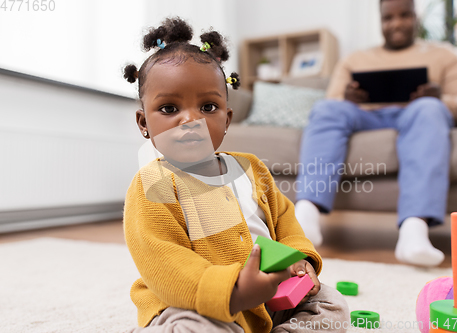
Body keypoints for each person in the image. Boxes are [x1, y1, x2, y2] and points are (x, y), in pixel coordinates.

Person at [122, 18, 349, 333]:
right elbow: (164, 261)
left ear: (227, 119)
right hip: (196, 305)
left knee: (331, 305)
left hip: (271, 299)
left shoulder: (251, 168)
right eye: (170, 109)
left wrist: (300, 260)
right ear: (144, 122)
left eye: (208, 106)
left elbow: (285, 221)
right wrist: (235, 291)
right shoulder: (154, 184)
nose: (190, 120)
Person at [295, 0, 457, 267]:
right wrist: (347, 98)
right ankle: (306, 219)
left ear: (416, 17)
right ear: (380, 21)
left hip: (416, 115)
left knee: (429, 108)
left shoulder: (445, 55)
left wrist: (441, 98)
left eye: (404, 15)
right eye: (388, 18)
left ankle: (413, 232)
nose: (396, 23)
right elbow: (332, 100)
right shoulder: (354, 59)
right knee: (326, 108)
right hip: (365, 115)